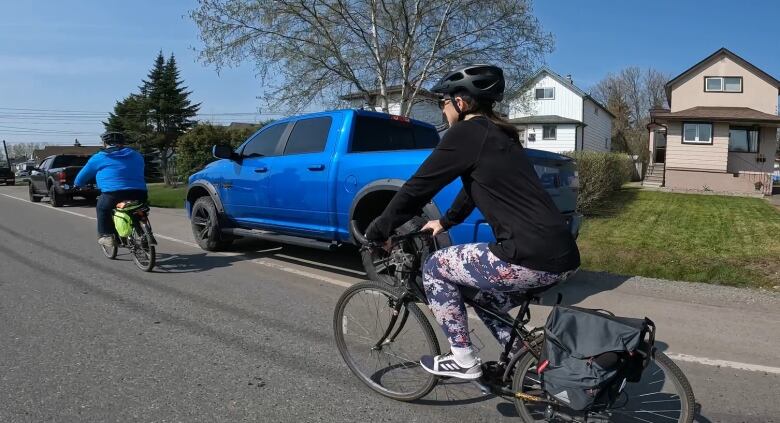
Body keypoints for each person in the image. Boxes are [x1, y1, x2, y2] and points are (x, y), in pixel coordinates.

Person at [365, 64, 580, 380]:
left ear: (461, 102)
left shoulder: (467, 132)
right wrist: (445, 223)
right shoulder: (500, 136)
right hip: (561, 254)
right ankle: (531, 367)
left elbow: (419, 186)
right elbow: (473, 188)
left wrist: (378, 229)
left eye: (444, 101)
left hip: (527, 256)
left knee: (437, 266)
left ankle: (462, 358)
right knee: (482, 296)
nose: (442, 107)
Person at [74, 132, 147, 248]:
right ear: (123, 143)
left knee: (102, 208)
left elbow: (81, 178)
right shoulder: (136, 155)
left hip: (113, 194)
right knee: (138, 208)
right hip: (139, 192)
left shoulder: (99, 157)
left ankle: (107, 236)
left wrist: (78, 184)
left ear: (104, 143)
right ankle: (141, 227)